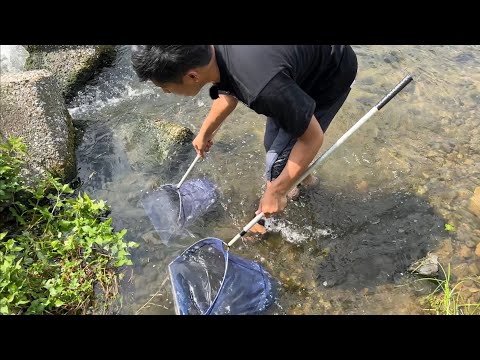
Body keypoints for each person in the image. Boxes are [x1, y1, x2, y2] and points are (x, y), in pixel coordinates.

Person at [130, 45, 358, 228]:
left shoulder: (262, 87)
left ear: (192, 76)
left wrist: (275, 191)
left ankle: (268, 217)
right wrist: (205, 133)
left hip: (329, 75)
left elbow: (312, 138)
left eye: (165, 87)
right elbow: (227, 94)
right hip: (292, 71)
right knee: (273, 145)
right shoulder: (212, 55)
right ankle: (306, 182)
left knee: (276, 164)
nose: (165, 92)